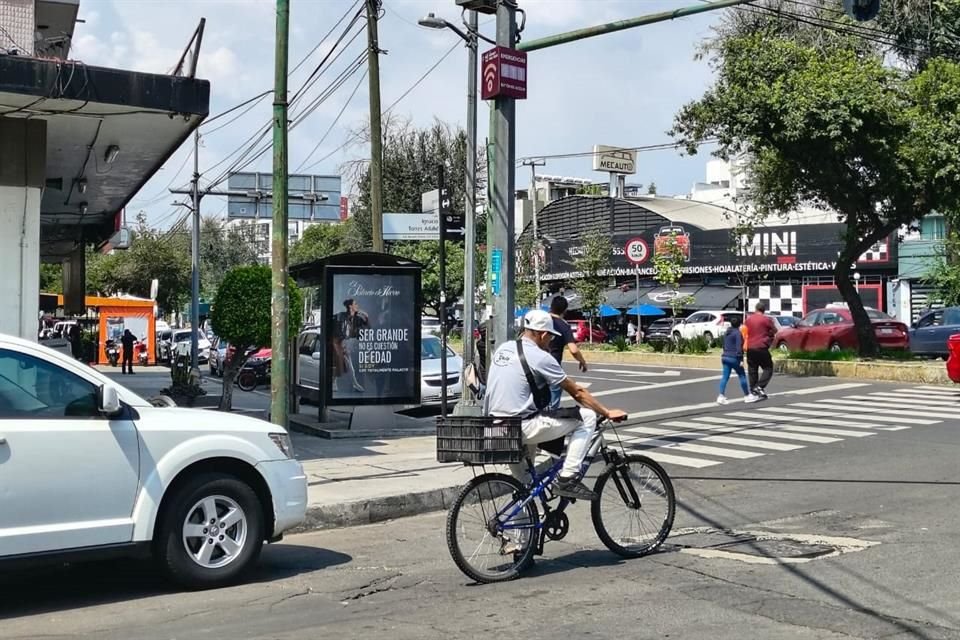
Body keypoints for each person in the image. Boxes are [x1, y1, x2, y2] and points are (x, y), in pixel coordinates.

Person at [484, 309, 627, 501]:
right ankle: (568, 478)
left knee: (524, 487)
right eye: (550, 336)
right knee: (587, 417)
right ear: (542, 334)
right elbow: (577, 392)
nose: (551, 341)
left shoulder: (504, 348)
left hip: (495, 427)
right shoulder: (540, 357)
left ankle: (520, 529)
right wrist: (607, 412)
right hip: (522, 426)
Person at [546, 296, 588, 409]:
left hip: (532, 364)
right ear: (565, 310)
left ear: (551, 307)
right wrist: (582, 361)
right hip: (552, 366)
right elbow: (573, 349)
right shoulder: (563, 325)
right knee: (553, 395)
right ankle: (549, 419)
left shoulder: (541, 320)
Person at [717, 315, 758, 405]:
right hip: (734, 357)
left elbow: (724, 345)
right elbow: (739, 347)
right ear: (740, 324)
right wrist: (741, 359)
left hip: (725, 356)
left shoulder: (727, 332)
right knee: (742, 375)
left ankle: (721, 396)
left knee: (725, 377)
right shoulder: (737, 333)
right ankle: (747, 395)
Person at [331, 298, 368, 393]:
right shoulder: (342, 316)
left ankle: (337, 382)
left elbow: (355, 332)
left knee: (347, 367)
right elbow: (339, 332)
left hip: (344, 346)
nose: (357, 306)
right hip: (338, 346)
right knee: (344, 366)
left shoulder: (354, 318)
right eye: (355, 304)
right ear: (350, 306)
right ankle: (353, 384)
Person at [744, 302, 778, 399]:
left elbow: (745, 330)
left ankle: (753, 390)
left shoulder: (748, 320)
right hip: (761, 347)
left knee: (752, 370)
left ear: (755, 309)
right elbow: (775, 331)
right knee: (768, 368)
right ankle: (759, 386)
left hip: (750, 347)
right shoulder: (766, 320)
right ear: (764, 310)